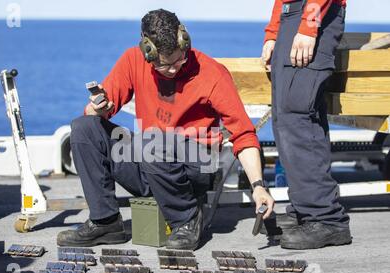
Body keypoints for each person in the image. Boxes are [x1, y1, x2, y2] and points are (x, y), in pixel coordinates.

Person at [57, 9, 274, 250]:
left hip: (195, 167)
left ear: (185, 41)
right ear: (146, 50)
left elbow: (243, 134)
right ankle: (105, 221)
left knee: (152, 142)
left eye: (179, 60)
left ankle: (187, 219)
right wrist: (98, 108)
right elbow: (96, 110)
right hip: (152, 161)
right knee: (83, 127)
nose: (172, 70)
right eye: (163, 65)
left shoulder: (212, 73)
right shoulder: (133, 60)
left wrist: (258, 187)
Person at [261, 0, 351, 249]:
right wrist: (273, 32)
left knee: (297, 118)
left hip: (312, 13)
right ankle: (306, 209)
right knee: (287, 119)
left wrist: (310, 23)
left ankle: (325, 218)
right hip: (293, 17)